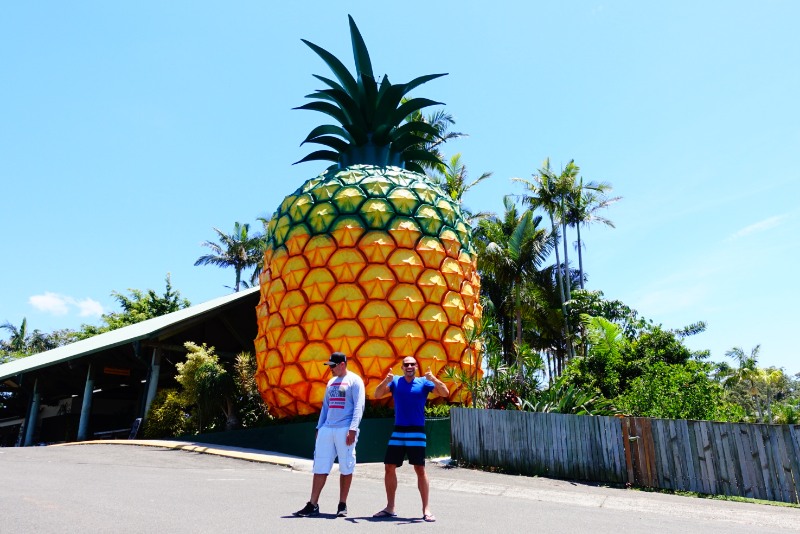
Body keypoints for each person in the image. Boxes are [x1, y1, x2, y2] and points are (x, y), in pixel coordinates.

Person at [372, 355, 449, 523]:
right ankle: (390, 507)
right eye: (406, 364)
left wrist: (433, 379)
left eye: (412, 364)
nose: (409, 367)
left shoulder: (424, 382)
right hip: (398, 430)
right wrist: (386, 381)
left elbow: (445, 392)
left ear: (416, 367)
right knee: (389, 467)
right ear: (402, 367)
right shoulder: (395, 381)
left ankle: (426, 509)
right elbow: (377, 394)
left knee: (420, 469)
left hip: (417, 431)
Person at [293, 352, 365, 518]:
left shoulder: (355, 381)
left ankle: (342, 504)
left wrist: (353, 429)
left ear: (342, 365)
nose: (330, 369)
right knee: (320, 466)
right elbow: (325, 407)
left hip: (345, 429)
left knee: (346, 466)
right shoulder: (331, 382)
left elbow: (358, 406)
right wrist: (319, 427)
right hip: (327, 429)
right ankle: (313, 504)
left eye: (333, 366)